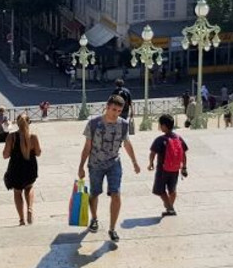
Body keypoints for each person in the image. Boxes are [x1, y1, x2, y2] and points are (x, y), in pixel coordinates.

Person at [77, 95, 141, 242]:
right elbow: (87, 146)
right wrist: (81, 166)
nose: (115, 113)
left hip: (114, 163)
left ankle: (112, 228)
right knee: (94, 193)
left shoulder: (123, 124)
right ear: (107, 106)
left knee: (116, 194)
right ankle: (94, 219)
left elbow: (127, 144)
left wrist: (135, 162)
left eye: (119, 111)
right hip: (95, 164)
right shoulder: (93, 123)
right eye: (113, 109)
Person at [3, 114, 42, 226]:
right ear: (28, 123)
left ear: (17, 123)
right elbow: (38, 153)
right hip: (30, 167)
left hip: (16, 167)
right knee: (29, 187)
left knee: (17, 192)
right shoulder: (33, 137)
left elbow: (5, 155)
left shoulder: (12, 137)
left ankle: (21, 219)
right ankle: (29, 208)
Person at [148, 114, 188, 216]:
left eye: (160, 125)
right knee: (172, 190)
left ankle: (170, 207)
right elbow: (183, 154)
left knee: (160, 190)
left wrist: (151, 163)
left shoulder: (160, 139)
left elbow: (152, 153)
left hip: (163, 169)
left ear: (164, 126)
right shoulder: (179, 138)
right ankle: (170, 209)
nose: (160, 127)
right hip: (175, 170)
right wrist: (184, 167)